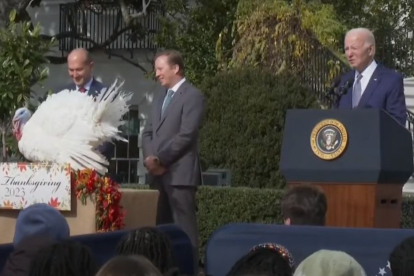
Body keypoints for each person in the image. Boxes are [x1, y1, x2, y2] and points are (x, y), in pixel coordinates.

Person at [142, 49, 206, 273]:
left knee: (185, 230)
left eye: (160, 68)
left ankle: (187, 270)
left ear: (175, 68)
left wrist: (161, 159)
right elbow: (147, 132)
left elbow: (187, 135)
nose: (156, 73)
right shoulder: (159, 97)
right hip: (156, 175)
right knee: (159, 229)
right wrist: (150, 159)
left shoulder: (193, 96)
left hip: (179, 175)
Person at [336, 28, 407, 126]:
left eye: (354, 48)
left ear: (370, 50)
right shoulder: (345, 80)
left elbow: (397, 123)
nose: (349, 54)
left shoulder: (391, 80)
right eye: (346, 49)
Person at [63, 48, 114, 163]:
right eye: (71, 70)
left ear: (91, 67)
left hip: (94, 165)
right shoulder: (61, 94)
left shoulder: (106, 95)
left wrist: (84, 157)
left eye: (79, 70)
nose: (75, 75)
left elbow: (109, 137)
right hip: (65, 166)